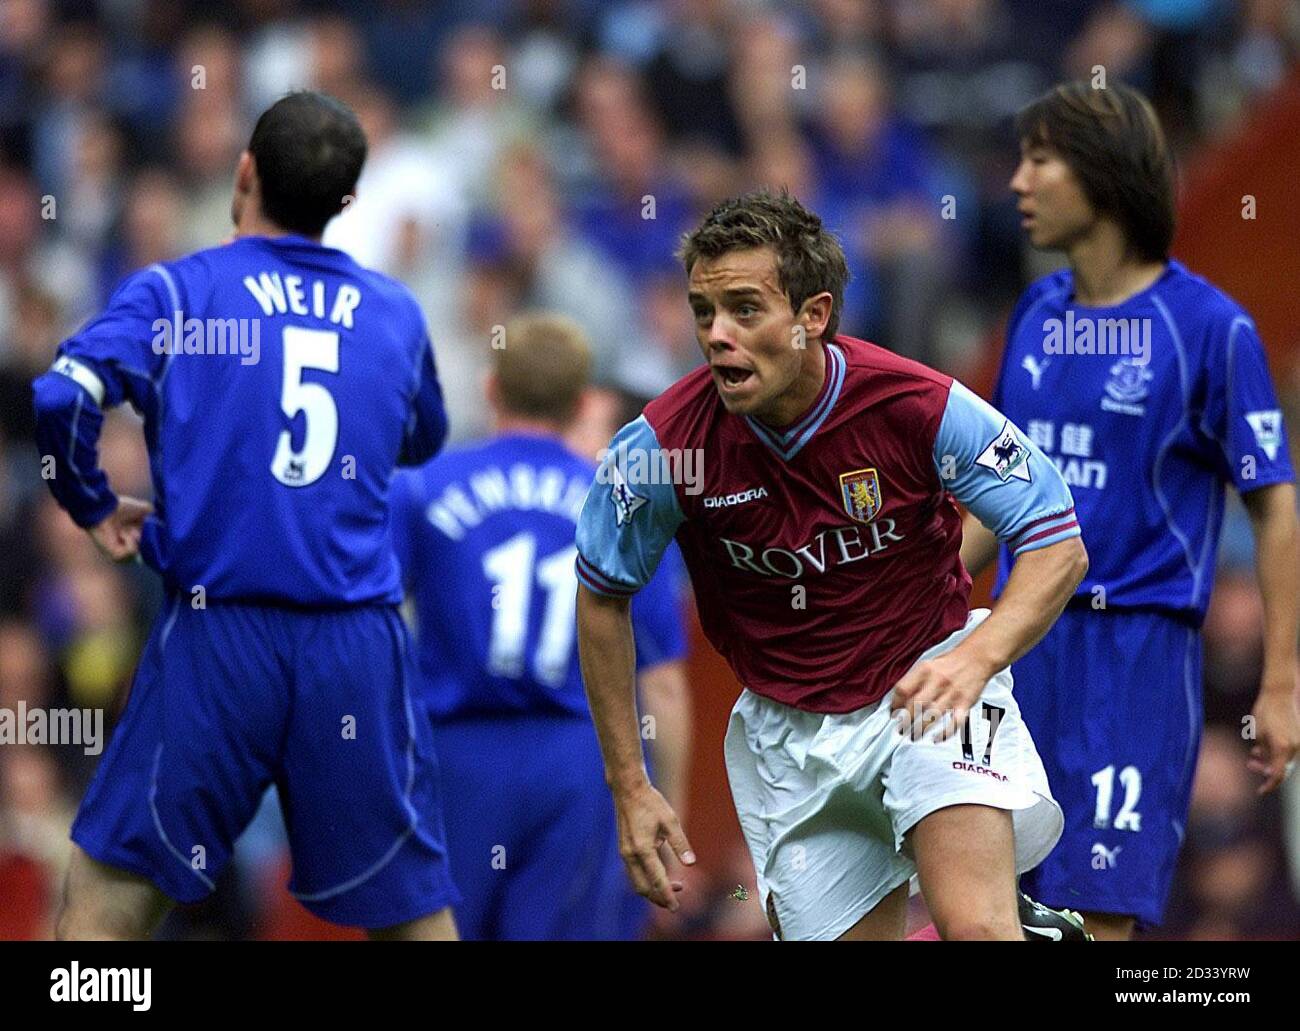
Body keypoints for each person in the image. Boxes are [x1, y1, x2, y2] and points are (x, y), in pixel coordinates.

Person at [575, 189, 1090, 941]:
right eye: (703, 312)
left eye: (746, 309)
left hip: (928, 688)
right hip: (791, 736)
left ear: (812, 316)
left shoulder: (917, 406)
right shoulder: (663, 449)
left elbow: (1056, 539)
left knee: (978, 929)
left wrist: (976, 657)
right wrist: (631, 786)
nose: (717, 335)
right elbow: (600, 596)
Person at [32, 91, 459, 940]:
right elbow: (422, 438)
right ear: (347, 203)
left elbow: (64, 394)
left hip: (218, 635)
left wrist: (91, 504)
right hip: (353, 643)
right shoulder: (396, 314)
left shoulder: (179, 294)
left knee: (104, 909)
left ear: (245, 173)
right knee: (412, 921)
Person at [962, 81, 1300, 940]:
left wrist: (1283, 681)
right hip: (1018, 644)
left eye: (1041, 159)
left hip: (1136, 660)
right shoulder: (1036, 314)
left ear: (1104, 177)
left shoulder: (1212, 329)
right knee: (994, 910)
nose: (1018, 182)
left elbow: (1274, 507)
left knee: (1095, 918)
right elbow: (997, 494)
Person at [389, 313, 691, 939]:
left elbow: (373, 628)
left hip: (454, 760)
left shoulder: (421, 487)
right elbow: (662, 683)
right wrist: (671, 814)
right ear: (582, 402)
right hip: (580, 763)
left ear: (490, 388)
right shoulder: (623, 499)